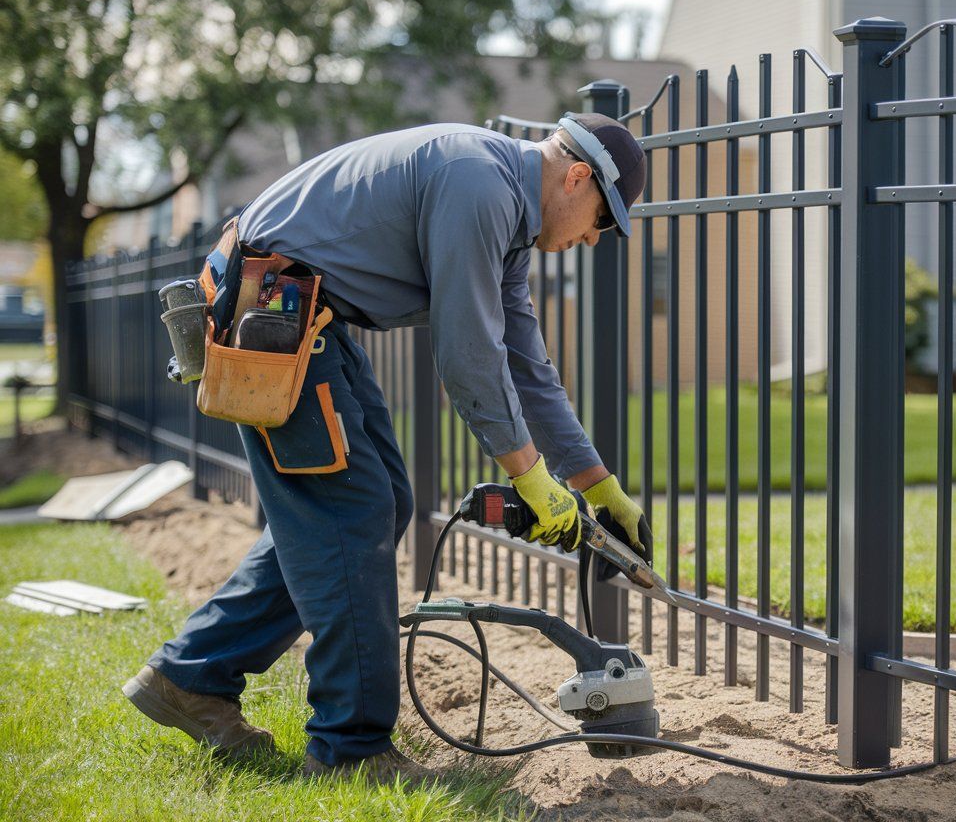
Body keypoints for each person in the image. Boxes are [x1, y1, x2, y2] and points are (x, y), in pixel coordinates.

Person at [123, 112, 652, 787]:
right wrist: (531, 479)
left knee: (380, 503)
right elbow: (468, 357)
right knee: (354, 512)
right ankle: (352, 750)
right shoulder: (480, 185)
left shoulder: (508, 213)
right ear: (578, 177)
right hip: (270, 314)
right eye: (600, 222)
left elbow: (522, 359)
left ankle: (190, 676)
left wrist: (598, 486)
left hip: (300, 313)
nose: (590, 241)